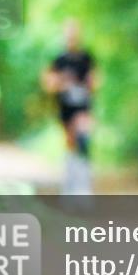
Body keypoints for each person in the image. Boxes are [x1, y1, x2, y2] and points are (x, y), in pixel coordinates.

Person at [42, 19, 97, 195]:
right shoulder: (59, 59)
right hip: (65, 106)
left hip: (83, 106)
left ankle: (83, 186)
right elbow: (48, 83)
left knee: (83, 140)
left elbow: (95, 80)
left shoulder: (86, 57)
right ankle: (71, 184)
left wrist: (87, 86)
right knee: (70, 144)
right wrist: (61, 84)